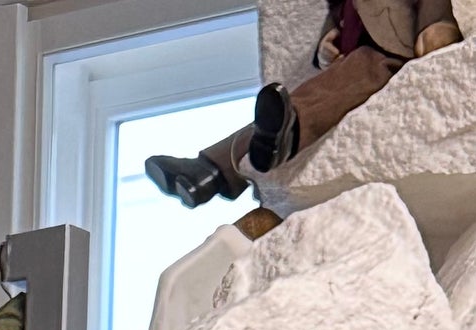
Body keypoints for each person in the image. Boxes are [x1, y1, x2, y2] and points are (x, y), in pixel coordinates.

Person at [146, 0, 459, 209]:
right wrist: (327, 42)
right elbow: (338, 15)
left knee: (315, 98)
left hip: (389, 53)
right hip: (355, 57)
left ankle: (285, 134)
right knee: (296, 102)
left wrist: (436, 26)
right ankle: (208, 171)